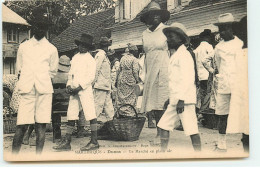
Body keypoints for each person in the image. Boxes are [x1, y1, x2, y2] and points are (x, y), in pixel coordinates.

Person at [12, 19, 59, 154]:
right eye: (38, 26)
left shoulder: (51, 49)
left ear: (46, 29)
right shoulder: (23, 47)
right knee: (21, 125)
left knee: (41, 125)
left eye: (43, 27)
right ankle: (14, 158)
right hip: (27, 90)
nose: (40, 29)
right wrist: (28, 81)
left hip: (44, 90)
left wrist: (41, 79)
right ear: (33, 27)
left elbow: (53, 71)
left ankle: (38, 159)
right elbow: (19, 68)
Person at [157, 22, 201, 152]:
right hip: (176, 99)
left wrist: (181, 99)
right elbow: (175, 80)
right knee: (164, 125)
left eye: (171, 37)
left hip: (185, 100)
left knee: (192, 129)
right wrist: (171, 99)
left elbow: (188, 79)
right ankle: (162, 153)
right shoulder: (175, 55)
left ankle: (200, 155)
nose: (168, 40)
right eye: (168, 37)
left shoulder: (185, 55)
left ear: (181, 39)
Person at [53, 33, 99, 151]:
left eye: (85, 46)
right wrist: (69, 85)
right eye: (80, 45)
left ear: (88, 47)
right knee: (71, 114)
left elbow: (91, 77)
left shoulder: (91, 59)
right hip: (73, 90)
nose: (82, 47)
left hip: (84, 89)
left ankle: (94, 141)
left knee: (90, 113)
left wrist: (79, 87)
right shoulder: (75, 58)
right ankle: (67, 141)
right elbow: (70, 74)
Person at [213, 13, 244, 152]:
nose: (222, 32)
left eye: (225, 28)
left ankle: (248, 140)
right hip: (225, 84)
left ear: (232, 29)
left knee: (244, 113)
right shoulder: (218, 47)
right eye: (220, 29)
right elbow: (219, 66)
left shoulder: (241, 43)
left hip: (240, 84)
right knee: (222, 114)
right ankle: (221, 142)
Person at [140, 1, 170, 134]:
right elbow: (145, 53)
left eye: (158, 14)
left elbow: (173, 50)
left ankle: (163, 131)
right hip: (150, 67)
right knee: (153, 102)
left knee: (162, 100)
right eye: (152, 14)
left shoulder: (167, 30)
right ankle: (159, 131)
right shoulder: (144, 34)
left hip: (164, 66)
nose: (155, 17)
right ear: (148, 17)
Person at [227, 16, 249, 153]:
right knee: (246, 132)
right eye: (242, 31)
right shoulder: (240, 52)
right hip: (243, 97)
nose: (242, 34)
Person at [93, 37, 114, 123]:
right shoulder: (100, 55)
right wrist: (93, 83)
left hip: (105, 85)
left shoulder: (104, 55)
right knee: (98, 105)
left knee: (108, 106)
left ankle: (111, 122)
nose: (107, 48)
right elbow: (96, 69)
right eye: (106, 46)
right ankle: (93, 124)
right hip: (100, 85)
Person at [116, 43, 140, 116]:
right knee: (130, 96)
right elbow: (135, 71)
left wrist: (117, 79)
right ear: (133, 51)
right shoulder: (134, 59)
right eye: (136, 51)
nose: (137, 52)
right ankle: (129, 113)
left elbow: (119, 69)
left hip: (121, 77)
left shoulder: (123, 58)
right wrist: (138, 80)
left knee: (122, 96)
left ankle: (122, 112)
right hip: (130, 78)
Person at [194, 29, 214, 114]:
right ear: (207, 37)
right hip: (207, 73)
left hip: (200, 75)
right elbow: (211, 58)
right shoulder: (209, 46)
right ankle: (203, 111)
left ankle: (201, 111)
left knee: (202, 94)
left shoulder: (197, 49)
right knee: (209, 93)